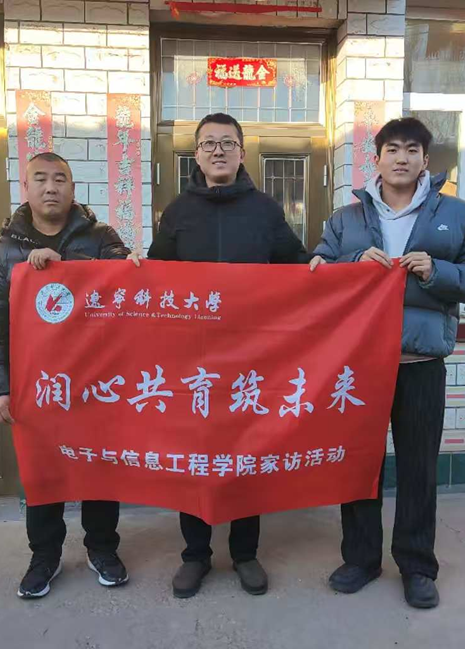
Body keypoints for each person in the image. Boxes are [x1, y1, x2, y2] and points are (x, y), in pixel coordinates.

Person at [310, 117, 465, 609]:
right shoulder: (347, 219)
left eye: (411, 149)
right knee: (359, 465)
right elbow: (318, 273)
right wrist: (352, 266)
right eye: (392, 148)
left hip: (420, 362)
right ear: (376, 158)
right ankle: (361, 559)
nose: (401, 157)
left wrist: (437, 270)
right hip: (359, 366)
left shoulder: (457, 214)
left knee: (418, 467)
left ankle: (417, 566)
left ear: (425, 160)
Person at [128, 112, 312, 599]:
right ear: (196, 154)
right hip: (192, 365)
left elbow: (296, 266)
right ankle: (195, 555)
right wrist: (133, 269)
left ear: (242, 153)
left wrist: (323, 267)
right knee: (194, 459)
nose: (217, 150)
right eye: (208, 143)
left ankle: (245, 554)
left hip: (251, 361)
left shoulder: (265, 211)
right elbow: (156, 276)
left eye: (227, 142)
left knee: (245, 457)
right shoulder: (178, 212)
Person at [0, 152, 131, 599]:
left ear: (73, 189)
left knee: (99, 469)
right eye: (41, 179)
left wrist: (63, 267)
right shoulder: (5, 251)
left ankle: (102, 549)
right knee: (42, 473)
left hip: (96, 382)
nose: (51, 187)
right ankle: (44, 556)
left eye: (60, 179)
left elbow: (125, 287)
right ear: (25, 189)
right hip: (37, 386)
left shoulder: (101, 237)